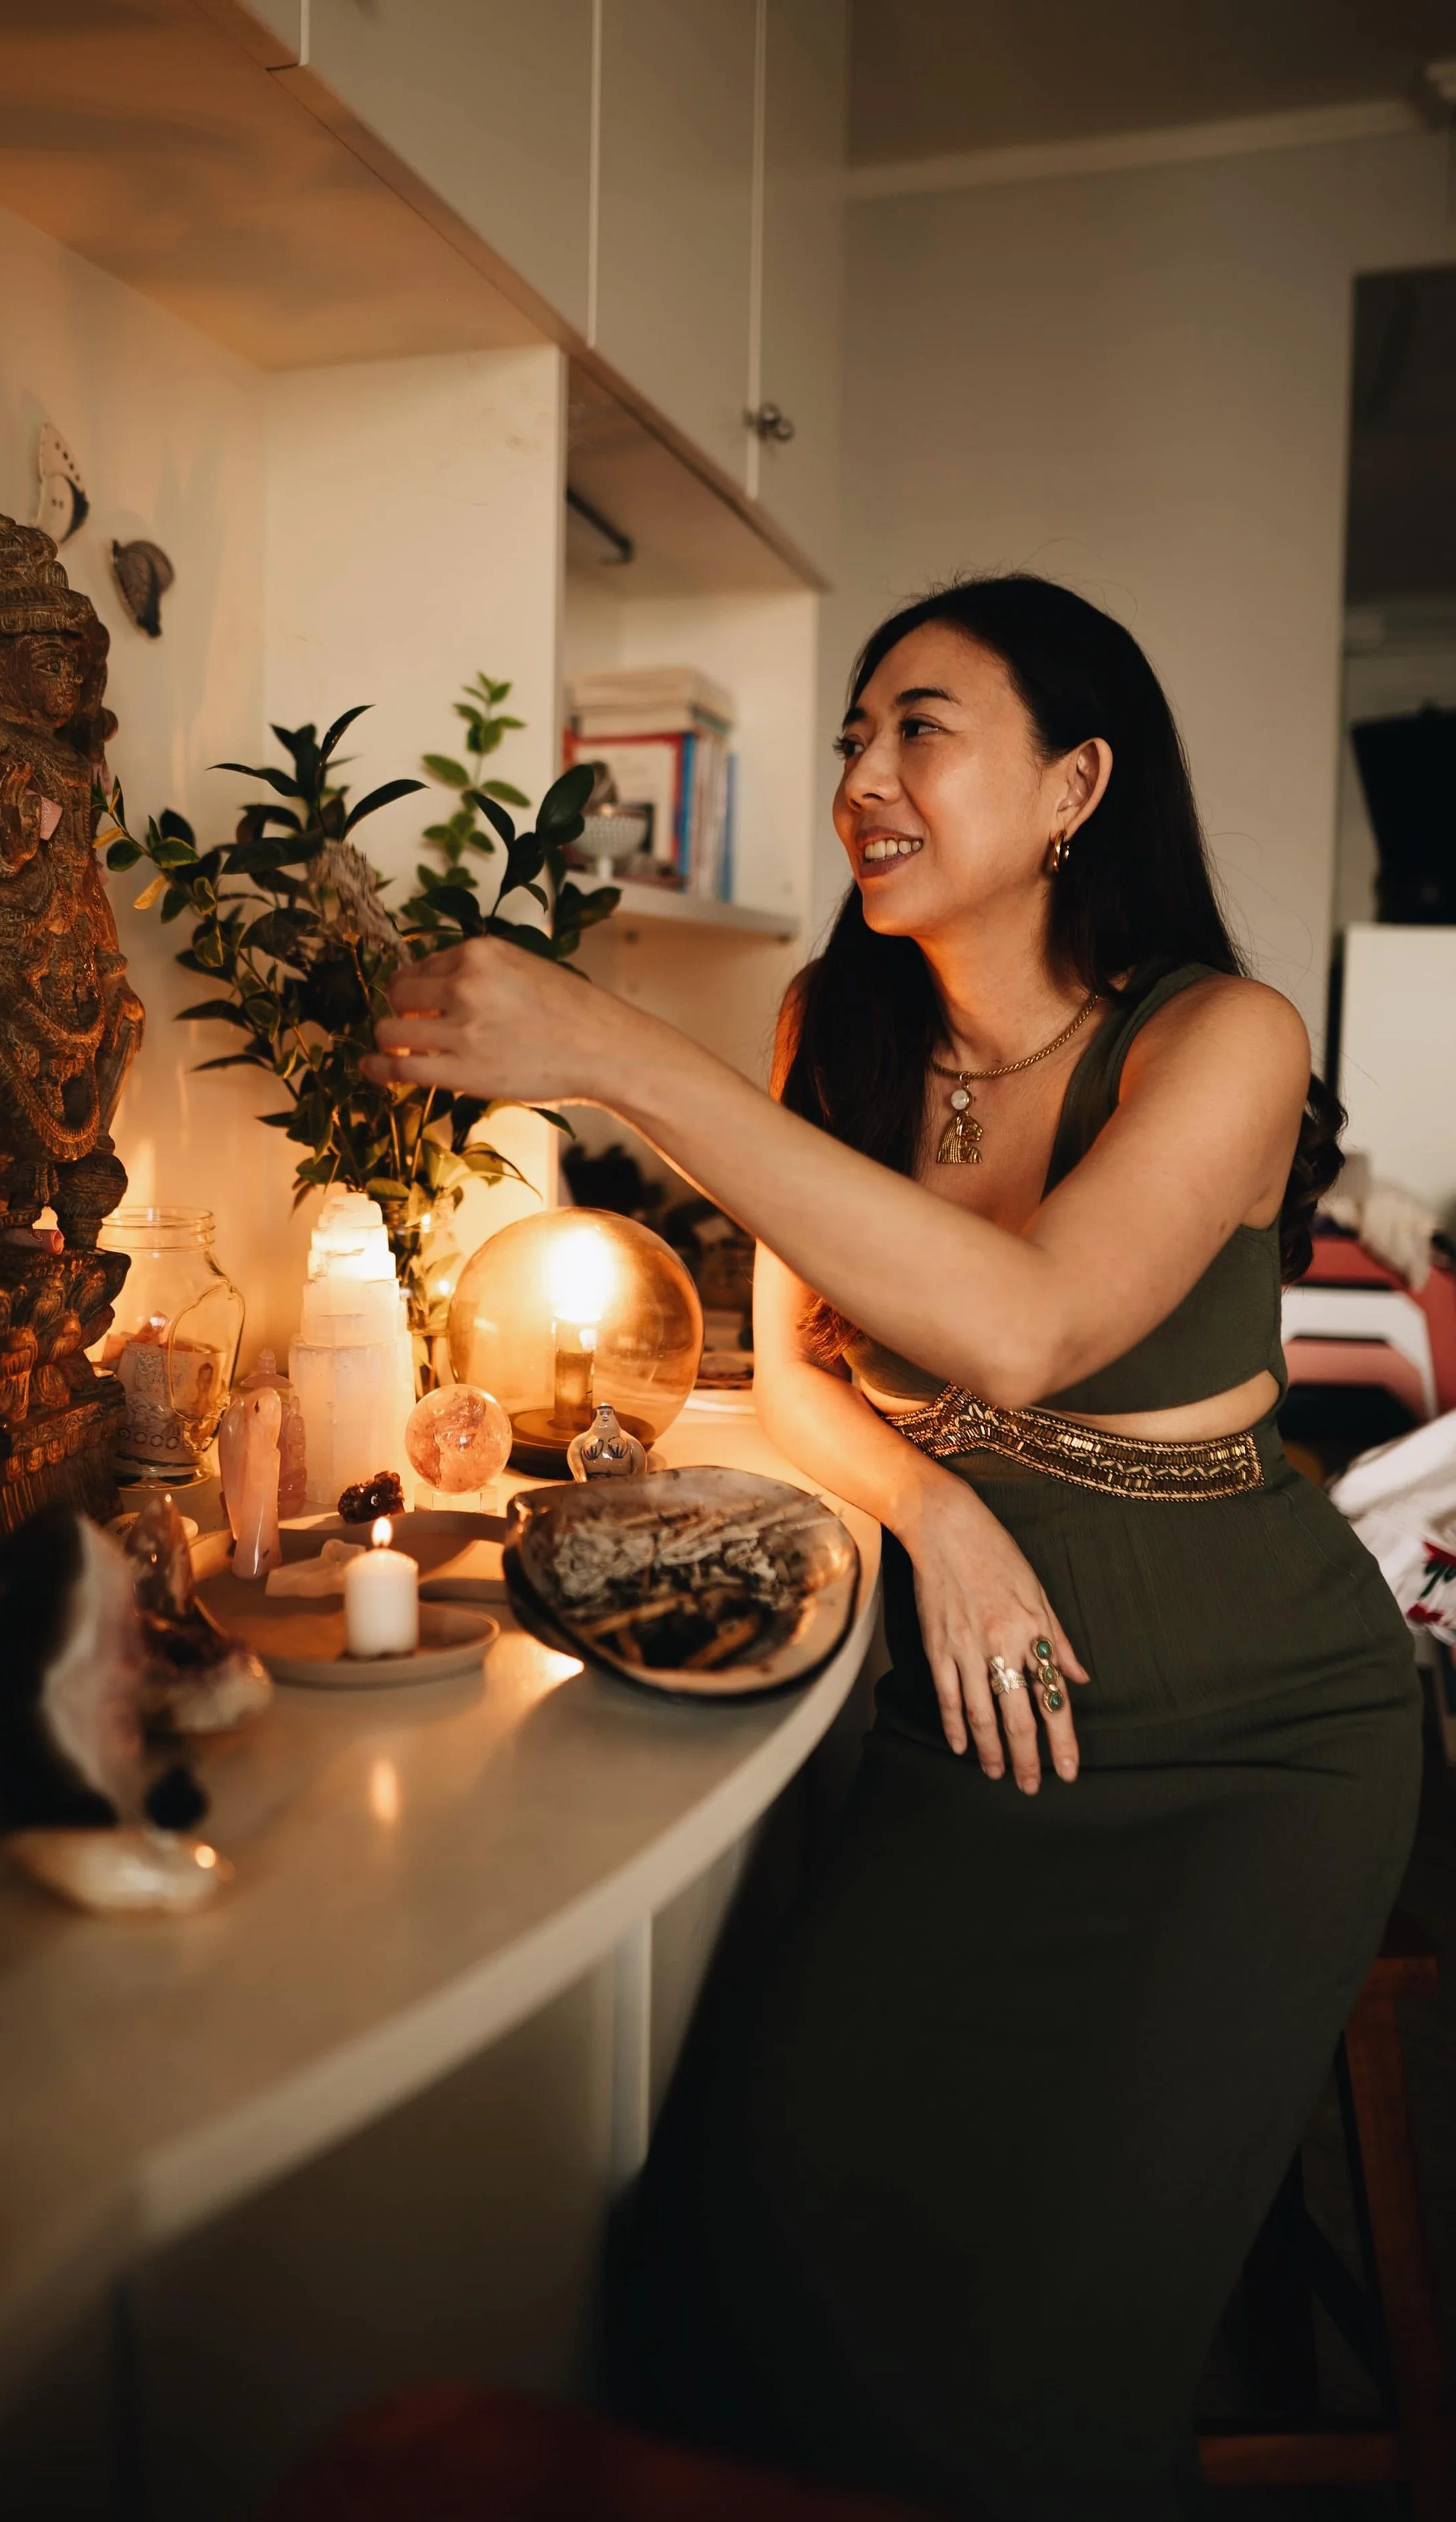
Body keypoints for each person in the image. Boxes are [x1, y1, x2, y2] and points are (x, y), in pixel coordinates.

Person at [363, 576, 1422, 2521]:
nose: (862, 774)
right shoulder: (831, 1026)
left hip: (1251, 1745)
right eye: (852, 735)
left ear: (1073, 782)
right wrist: (935, 1513)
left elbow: (1022, 1325)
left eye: (915, 727)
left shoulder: (1224, 1037)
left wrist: (612, 1049)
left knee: (1032, 2343)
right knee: (754, 2215)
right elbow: (790, 1381)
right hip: (975, 1711)